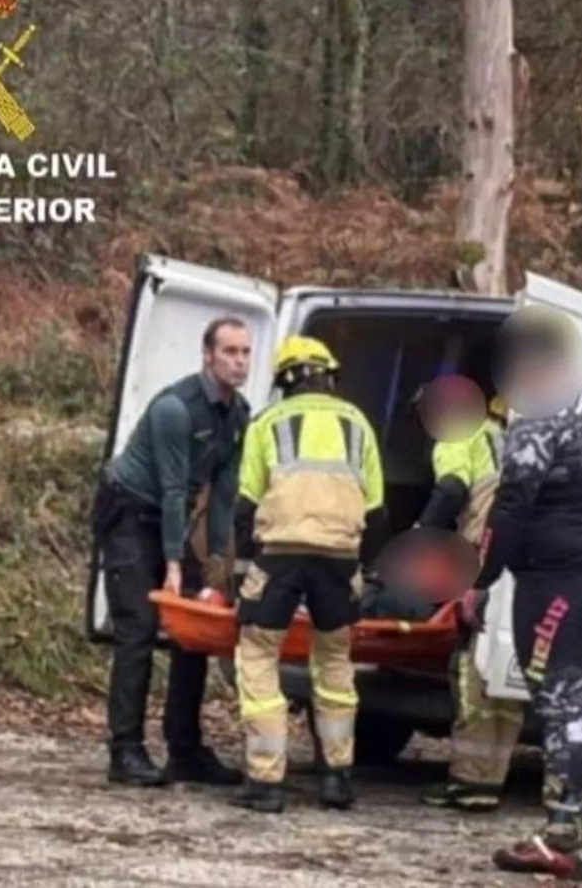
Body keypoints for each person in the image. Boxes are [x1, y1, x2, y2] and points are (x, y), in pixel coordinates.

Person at [479, 310, 582, 880]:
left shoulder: (535, 418)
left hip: (557, 586)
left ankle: (561, 834)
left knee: (561, 705)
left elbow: (513, 503)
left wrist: (481, 577)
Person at [91, 317, 252, 787]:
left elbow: (222, 496)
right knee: (138, 628)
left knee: (193, 630)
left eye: (245, 352)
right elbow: (173, 490)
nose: (239, 361)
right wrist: (175, 565)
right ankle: (126, 751)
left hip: (170, 516)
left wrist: (218, 565)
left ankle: (184, 748)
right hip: (131, 514)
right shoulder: (175, 409)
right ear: (207, 356)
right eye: (229, 352)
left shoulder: (238, 415)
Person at [229, 336, 387, 814]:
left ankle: (265, 781)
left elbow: (245, 506)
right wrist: (367, 569)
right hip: (340, 560)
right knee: (336, 664)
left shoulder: (267, 423)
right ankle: (336, 777)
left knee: (257, 655)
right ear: (329, 376)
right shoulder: (359, 424)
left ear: (283, 382)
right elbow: (377, 512)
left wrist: (239, 575)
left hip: (279, 555)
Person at [409, 378, 525, 813]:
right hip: (522, 559)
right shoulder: (515, 440)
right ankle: (491, 778)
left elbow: (452, 490)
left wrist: (418, 536)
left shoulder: (461, 434)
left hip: (483, 553)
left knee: (470, 667)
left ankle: (468, 782)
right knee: (503, 666)